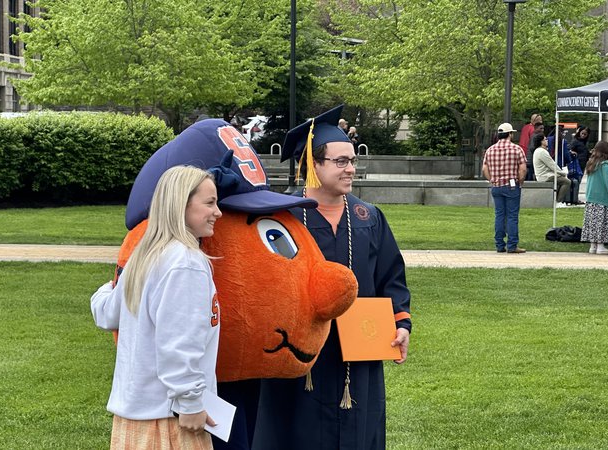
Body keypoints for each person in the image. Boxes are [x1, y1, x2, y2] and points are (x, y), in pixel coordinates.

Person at [255, 105, 411, 450]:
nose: (351, 169)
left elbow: (391, 278)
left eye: (352, 160)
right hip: (300, 352)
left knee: (359, 429)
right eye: (340, 161)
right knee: (298, 432)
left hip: (360, 348)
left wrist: (401, 324)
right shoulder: (282, 218)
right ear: (314, 165)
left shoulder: (367, 217)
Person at [90, 165, 223, 449]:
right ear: (180, 205)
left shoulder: (145, 256)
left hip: (134, 418)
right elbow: (178, 342)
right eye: (209, 203)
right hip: (169, 418)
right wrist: (189, 402)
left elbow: (107, 313)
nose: (218, 212)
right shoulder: (186, 263)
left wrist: (105, 289)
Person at [482, 122, 528, 253]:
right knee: (512, 215)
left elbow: (484, 168)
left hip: (496, 186)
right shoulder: (516, 149)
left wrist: (491, 179)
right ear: (510, 134)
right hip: (511, 185)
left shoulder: (490, 150)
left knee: (499, 215)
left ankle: (499, 244)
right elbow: (523, 168)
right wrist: (520, 181)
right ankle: (512, 245)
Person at [581, 141, 608, 254]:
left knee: (592, 222)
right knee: (601, 222)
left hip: (590, 198)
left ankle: (593, 246)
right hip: (602, 198)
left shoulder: (591, 163)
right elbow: (607, 183)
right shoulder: (605, 164)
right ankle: (601, 246)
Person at [532, 133, 571, 204]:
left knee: (560, 180)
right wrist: (563, 173)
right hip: (545, 176)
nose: (547, 141)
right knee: (567, 182)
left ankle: (556, 200)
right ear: (541, 142)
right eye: (545, 139)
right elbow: (552, 165)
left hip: (545, 175)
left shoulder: (539, 151)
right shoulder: (541, 152)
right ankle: (558, 202)